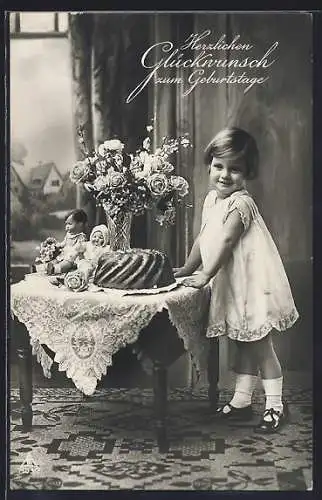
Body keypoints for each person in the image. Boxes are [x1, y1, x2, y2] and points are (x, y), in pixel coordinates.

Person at [174, 127, 299, 433]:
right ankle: (242, 401)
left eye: (235, 169)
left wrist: (205, 274)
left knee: (259, 345)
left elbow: (227, 242)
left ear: (248, 173)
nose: (225, 175)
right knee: (242, 344)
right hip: (233, 283)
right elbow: (204, 239)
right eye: (219, 166)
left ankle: (275, 405)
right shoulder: (212, 200)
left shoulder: (241, 204)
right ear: (209, 165)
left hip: (253, 285)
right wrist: (187, 269)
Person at [46, 209, 88, 275]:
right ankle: (44, 267)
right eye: (66, 224)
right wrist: (57, 245)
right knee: (55, 260)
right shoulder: (68, 235)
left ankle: (54, 270)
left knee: (66, 264)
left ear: (80, 224)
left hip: (73, 257)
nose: (67, 226)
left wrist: (72, 253)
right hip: (65, 254)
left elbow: (79, 248)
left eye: (70, 224)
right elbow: (64, 243)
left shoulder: (81, 237)